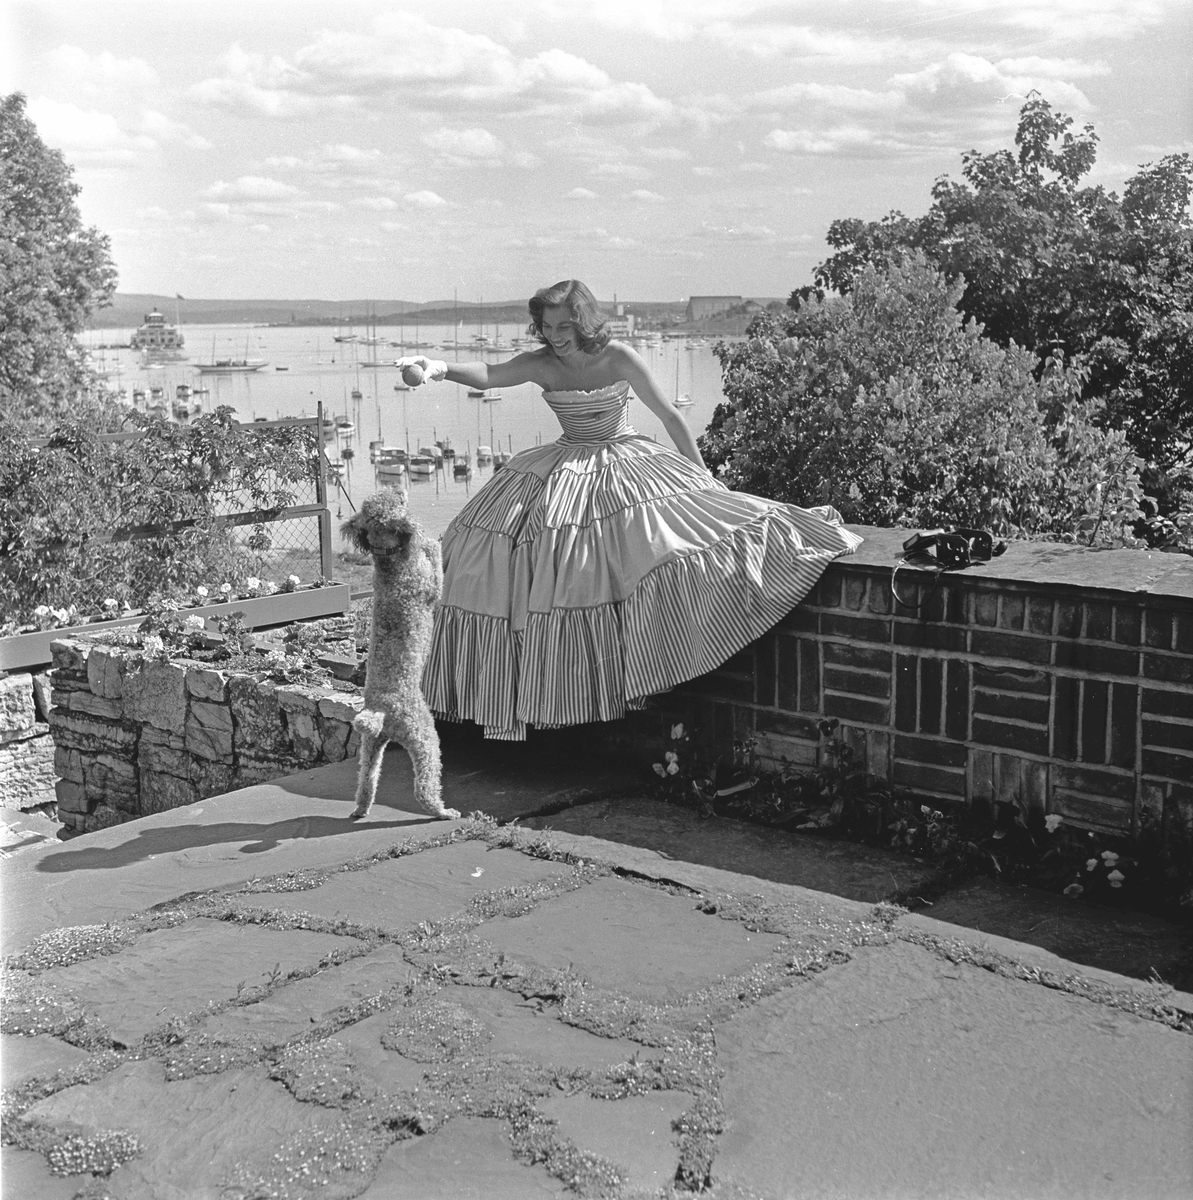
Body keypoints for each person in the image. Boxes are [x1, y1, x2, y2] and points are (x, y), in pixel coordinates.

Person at [397, 278, 861, 741]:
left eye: (564, 325)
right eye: (546, 326)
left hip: (622, 460)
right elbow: (489, 373)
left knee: (648, 549)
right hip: (565, 463)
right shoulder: (541, 363)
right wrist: (436, 367)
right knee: (501, 551)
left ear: (583, 320)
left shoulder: (618, 356)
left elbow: (671, 417)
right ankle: (548, 692)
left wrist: (704, 478)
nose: (555, 335)